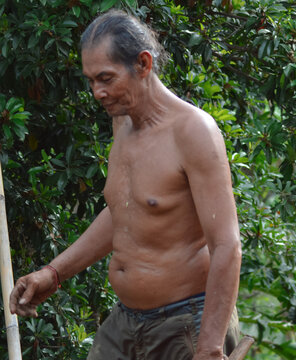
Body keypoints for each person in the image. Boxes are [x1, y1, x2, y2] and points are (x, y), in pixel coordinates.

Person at [9, 9, 241, 360]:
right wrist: (53, 274)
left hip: (187, 324)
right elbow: (124, 212)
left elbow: (227, 246)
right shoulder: (124, 123)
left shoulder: (194, 132)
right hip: (127, 322)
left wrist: (209, 347)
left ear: (143, 64)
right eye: (90, 81)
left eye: (105, 78)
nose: (97, 92)